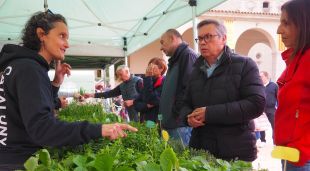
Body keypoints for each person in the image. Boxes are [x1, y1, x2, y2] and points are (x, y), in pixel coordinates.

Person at [0, 11, 137, 170]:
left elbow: (33, 107)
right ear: (41, 35)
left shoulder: (18, 66)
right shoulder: (30, 69)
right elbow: (43, 129)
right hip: (18, 162)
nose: (67, 44)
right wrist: (99, 129)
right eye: (62, 36)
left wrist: (56, 82)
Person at [180, 19, 266, 162]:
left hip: (235, 151)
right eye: (200, 38)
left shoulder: (244, 64)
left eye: (208, 37)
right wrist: (187, 118)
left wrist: (210, 113)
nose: (202, 42)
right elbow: (184, 103)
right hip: (201, 151)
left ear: (223, 38)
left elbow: (255, 104)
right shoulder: (195, 71)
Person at [275, 0, 310, 169]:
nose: (279, 30)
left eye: (286, 23)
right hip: (290, 154)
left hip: (303, 157)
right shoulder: (295, 60)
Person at [159, 29, 198, 146]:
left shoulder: (187, 55)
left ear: (172, 39)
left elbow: (188, 89)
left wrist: (176, 115)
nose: (161, 47)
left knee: (181, 162)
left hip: (178, 125)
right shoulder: (177, 59)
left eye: (162, 42)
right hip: (171, 124)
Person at [133, 57, 167, 123]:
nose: (149, 69)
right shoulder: (146, 81)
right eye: (149, 67)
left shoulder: (164, 82)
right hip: (145, 120)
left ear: (161, 69)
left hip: (157, 121)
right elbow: (136, 103)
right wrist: (146, 105)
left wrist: (148, 77)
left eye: (152, 67)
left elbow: (152, 100)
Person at [259, 71, 278, 143]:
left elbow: (278, 97)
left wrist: (279, 108)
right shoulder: (259, 86)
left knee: (275, 126)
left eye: (261, 76)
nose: (260, 78)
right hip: (261, 110)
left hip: (271, 109)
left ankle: (275, 141)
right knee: (261, 126)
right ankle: (262, 141)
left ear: (266, 77)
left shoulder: (274, 85)